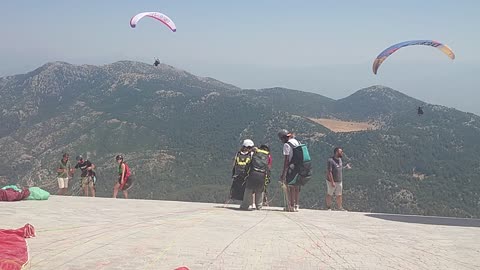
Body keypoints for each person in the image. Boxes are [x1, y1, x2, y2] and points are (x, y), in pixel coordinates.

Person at [240, 144, 270, 210]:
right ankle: (259, 206)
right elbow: (268, 168)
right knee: (260, 190)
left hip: (253, 174)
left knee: (248, 189)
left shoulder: (253, 154)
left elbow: (247, 164)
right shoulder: (267, 156)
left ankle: (245, 205)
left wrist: (245, 173)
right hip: (262, 175)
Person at [278, 129, 301, 212]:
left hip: (291, 167)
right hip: (299, 167)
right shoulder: (296, 141)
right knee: (296, 187)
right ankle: (296, 205)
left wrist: (283, 173)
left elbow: (286, 160)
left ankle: (290, 205)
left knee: (290, 186)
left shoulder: (286, 145)